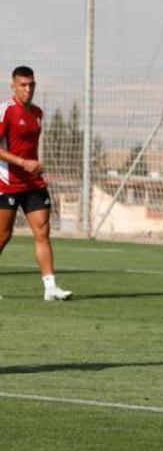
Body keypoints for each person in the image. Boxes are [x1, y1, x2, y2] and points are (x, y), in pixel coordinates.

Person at [0, 66, 72, 301]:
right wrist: (22, 162)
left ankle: (50, 287)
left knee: (43, 230)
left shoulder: (38, 113)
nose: (28, 89)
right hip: (8, 182)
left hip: (33, 182)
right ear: (13, 86)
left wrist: (34, 165)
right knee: (3, 235)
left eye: (31, 85)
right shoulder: (5, 111)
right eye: (23, 85)